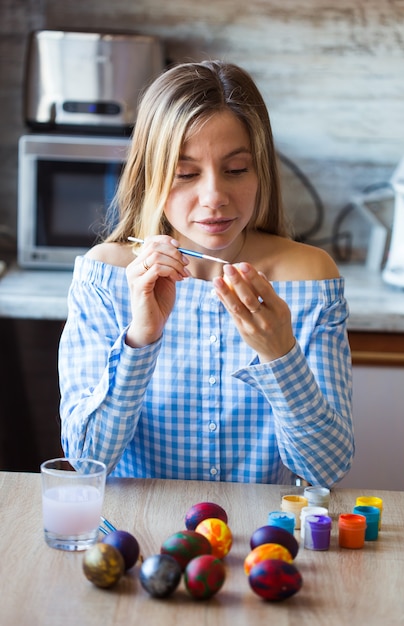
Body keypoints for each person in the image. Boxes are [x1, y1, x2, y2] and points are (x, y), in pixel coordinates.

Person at [58, 60, 354, 487]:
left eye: (236, 170)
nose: (214, 196)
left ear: (261, 171)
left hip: (264, 542)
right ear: (150, 175)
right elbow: (86, 462)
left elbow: (327, 470)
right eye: (185, 174)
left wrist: (280, 353)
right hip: (139, 538)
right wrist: (141, 337)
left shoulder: (310, 277)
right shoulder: (104, 279)